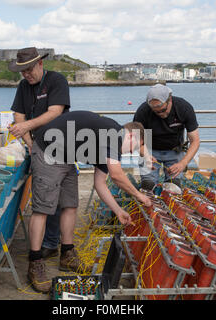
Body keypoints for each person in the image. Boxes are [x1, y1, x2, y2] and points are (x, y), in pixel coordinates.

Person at [27, 110, 152, 293]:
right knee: (43, 210)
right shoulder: (113, 134)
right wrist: (139, 195)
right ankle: (35, 262)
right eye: (133, 148)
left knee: (70, 205)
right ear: (131, 135)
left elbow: (100, 184)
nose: (129, 153)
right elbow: (117, 176)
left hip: (66, 157)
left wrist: (118, 210)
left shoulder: (108, 148)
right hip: (47, 151)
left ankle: (67, 255)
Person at [7, 47, 67, 262]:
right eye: (22, 71)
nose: (26, 75)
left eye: (29, 70)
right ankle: (48, 242)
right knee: (44, 198)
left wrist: (25, 127)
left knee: (59, 199)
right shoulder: (23, 86)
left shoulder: (57, 80)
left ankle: (52, 242)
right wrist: (30, 143)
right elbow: (18, 115)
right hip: (39, 147)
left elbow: (55, 112)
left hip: (61, 145)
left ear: (40, 64)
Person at [134, 84, 200, 190]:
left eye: (163, 110)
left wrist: (183, 163)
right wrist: (145, 155)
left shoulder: (183, 108)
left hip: (175, 150)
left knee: (173, 187)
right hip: (149, 150)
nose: (160, 113)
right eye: (156, 112)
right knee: (148, 186)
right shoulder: (143, 111)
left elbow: (195, 140)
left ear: (170, 100)